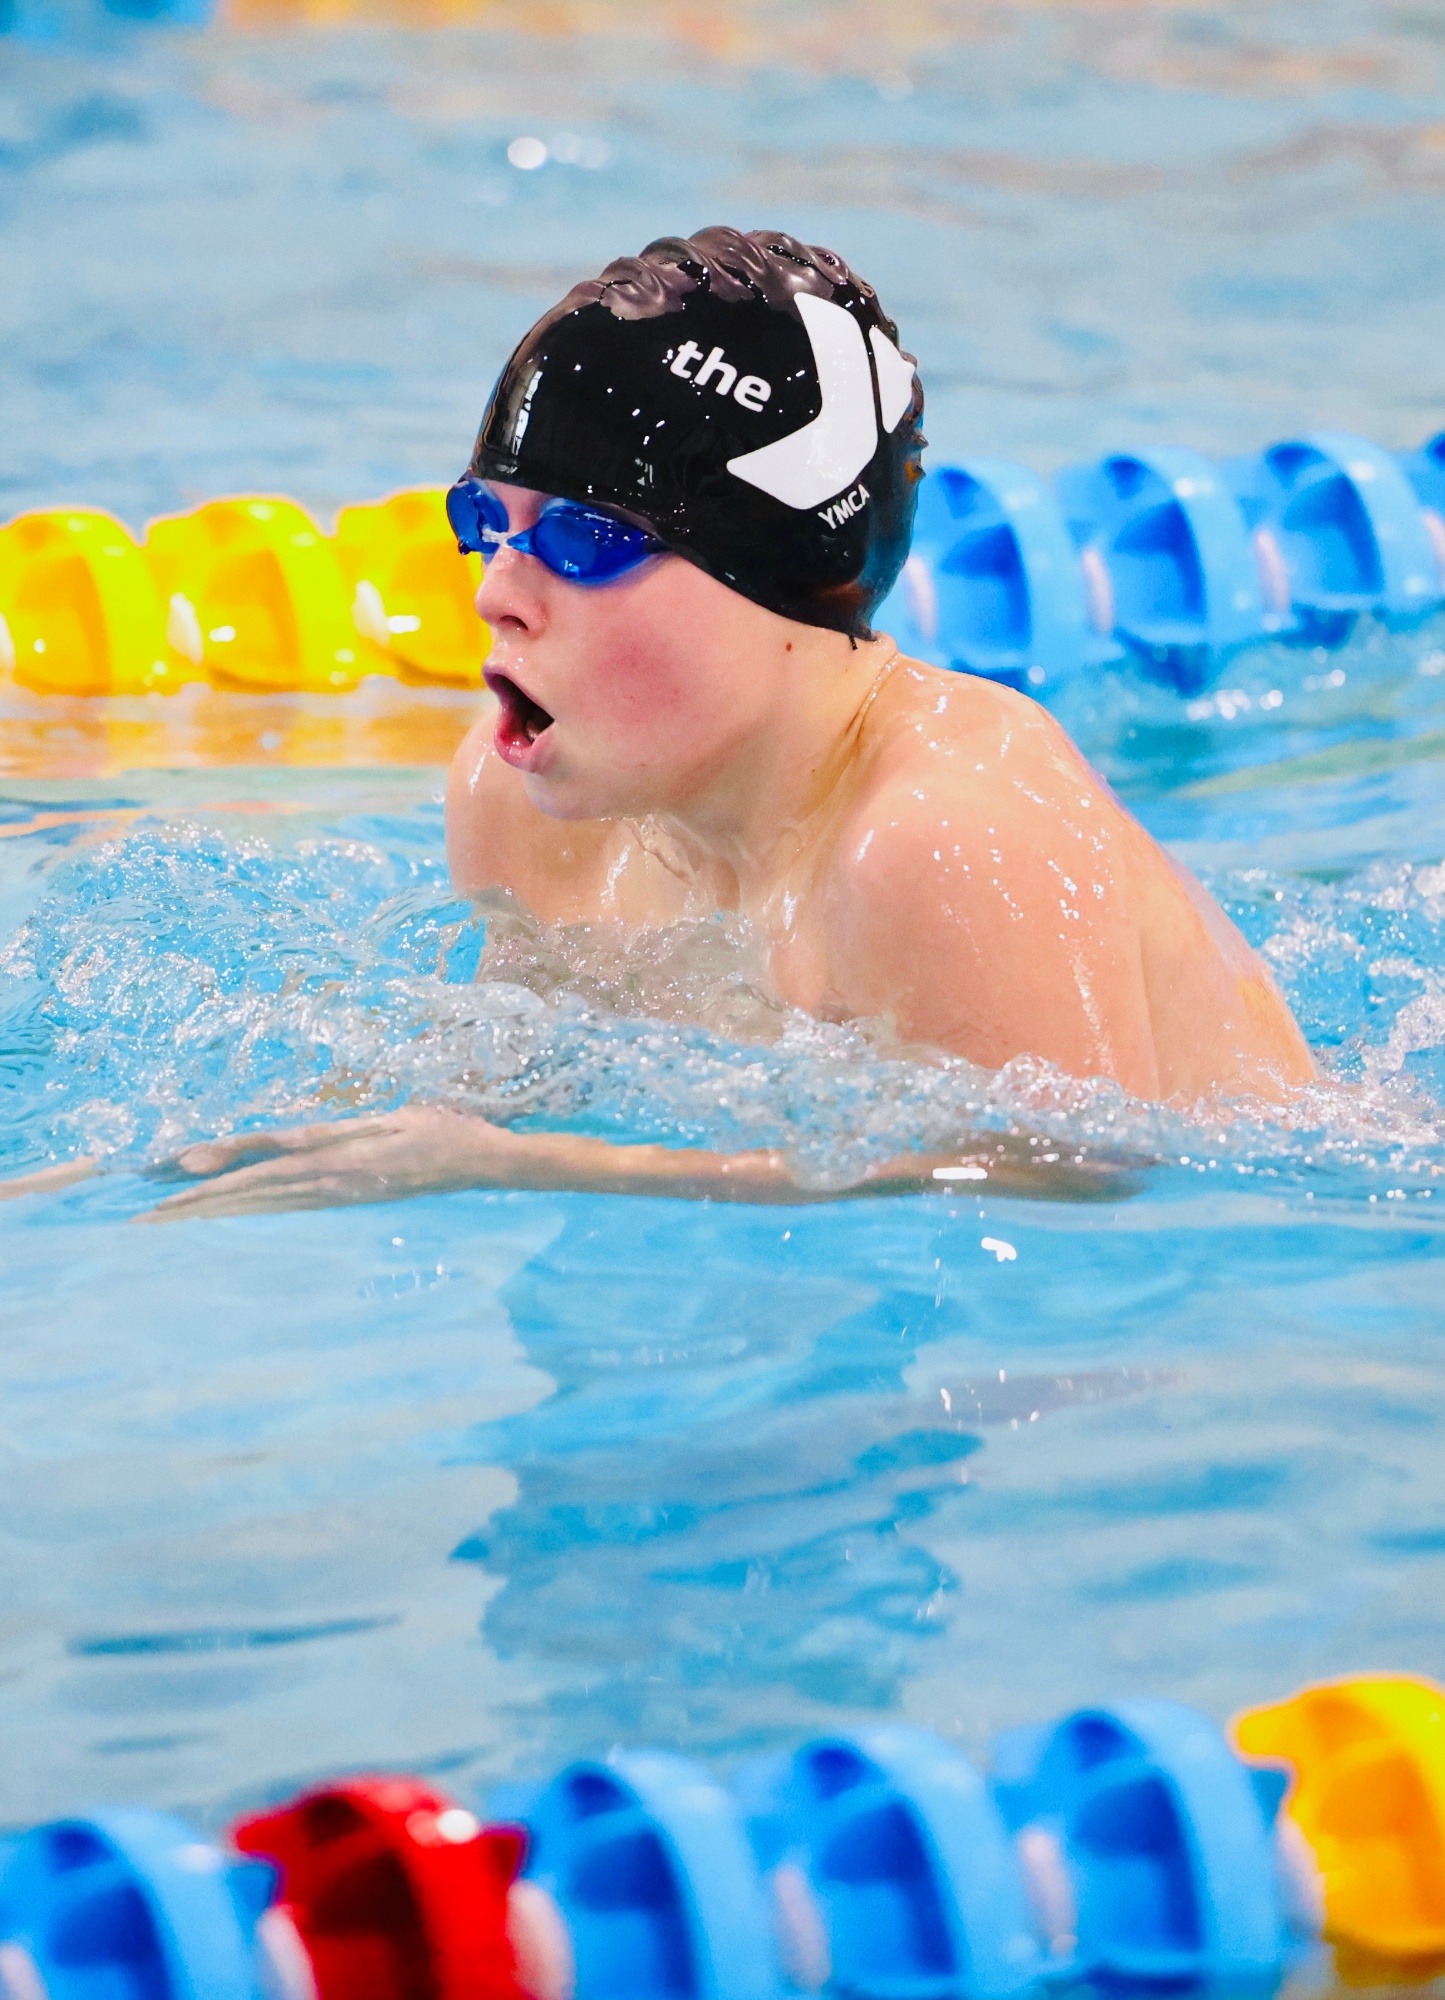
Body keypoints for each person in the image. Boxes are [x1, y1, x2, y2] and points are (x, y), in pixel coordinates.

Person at [145, 227, 1312, 1219]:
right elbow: (497, 1085)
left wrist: (526, 1167)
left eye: (582, 539)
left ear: (778, 572)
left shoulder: (949, 835)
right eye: (484, 523)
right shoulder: (521, 803)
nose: (496, 591)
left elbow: (1067, 1183)